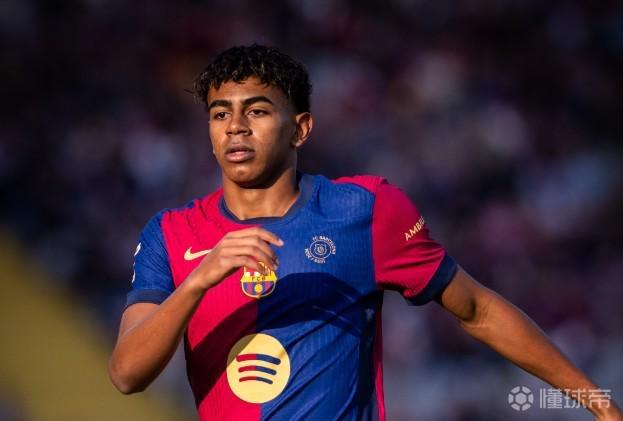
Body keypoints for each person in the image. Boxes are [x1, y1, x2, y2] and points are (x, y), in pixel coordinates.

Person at [108, 44, 622, 420]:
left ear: (300, 128)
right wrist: (200, 279)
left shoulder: (365, 210)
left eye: (257, 110)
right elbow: (127, 373)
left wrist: (597, 401)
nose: (235, 126)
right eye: (221, 113)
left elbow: (478, 310)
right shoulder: (170, 233)